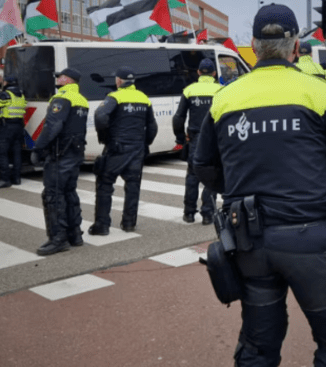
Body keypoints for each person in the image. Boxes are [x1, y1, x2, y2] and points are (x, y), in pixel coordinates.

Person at [193, 4, 326, 367]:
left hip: (249, 244)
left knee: (257, 347)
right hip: (313, 241)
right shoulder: (320, 93)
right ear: (295, 47)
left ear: (252, 46)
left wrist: (235, 191)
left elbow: (203, 167)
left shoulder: (225, 99)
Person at [90, 67, 158, 234]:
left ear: (119, 81)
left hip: (117, 149)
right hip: (137, 149)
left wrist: (105, 138)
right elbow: (152, 126)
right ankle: (129, 223)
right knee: (133, 186)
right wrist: (145, 143)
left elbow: (100, 116)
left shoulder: (114, 97)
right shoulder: (144, 98)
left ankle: (102, 225)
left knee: (105, 184)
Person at [31, 68, 88, 255]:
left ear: (67, 80)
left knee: (53, 196)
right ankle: (75, 235)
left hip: (59, 154)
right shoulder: (81, 99)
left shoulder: (62, 98)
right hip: (74, 153)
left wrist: (38, 148)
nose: (58, 79)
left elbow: (53, 126)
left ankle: (58, 239)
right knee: (69, 193)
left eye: (60, 77)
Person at [173, 58, 222, 225]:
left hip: (194, 139)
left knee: (192, 176)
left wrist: (180, 138)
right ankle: (208, 214)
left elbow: (178, 118)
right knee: (212, 174)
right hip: (215, 140)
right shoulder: (222, 90)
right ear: (214, 74)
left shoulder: (189, 90)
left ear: (199, 72)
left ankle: (189, 213)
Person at [0, 76, 27, 188]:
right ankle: (16, 178)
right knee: (16, 153)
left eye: (4, 81)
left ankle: (4, 179)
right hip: (18, 127)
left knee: (2, 153)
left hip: (7, 127)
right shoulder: (21, 95)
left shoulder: (5, 95)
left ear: (7, 83)